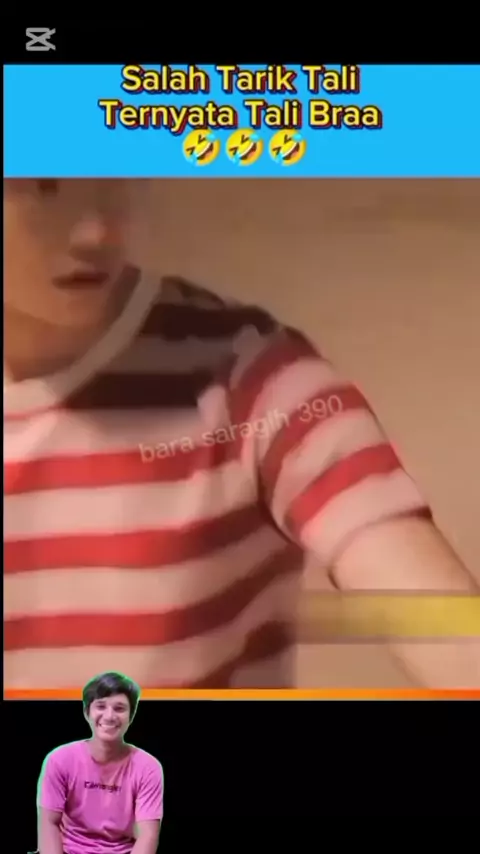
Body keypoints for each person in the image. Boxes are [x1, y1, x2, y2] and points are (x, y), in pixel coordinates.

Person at [4, 178, 479, 690]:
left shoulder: (247, 377)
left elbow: (441, 621)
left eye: (116, 173)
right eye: (42, 184)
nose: (98, 230)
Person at [37, 671, 163, 854]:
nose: (109, 716)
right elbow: (49, 823)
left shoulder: (148, 767)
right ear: (87, 712)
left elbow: (147, 835)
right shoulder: (59, 759)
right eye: (101, 706)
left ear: (131, 715)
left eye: (119, 708)